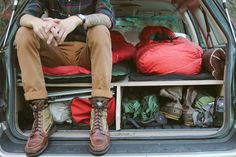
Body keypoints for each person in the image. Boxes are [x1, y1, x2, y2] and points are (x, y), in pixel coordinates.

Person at [15, 0, 115, 156]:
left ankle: (99, 114)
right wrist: (36, 22)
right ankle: (42, 116)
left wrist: (78, 19)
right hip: (55, 49)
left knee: (100, 29)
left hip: (86, 53)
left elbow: (108, 18)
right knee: (23, 32)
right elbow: (23, 16)